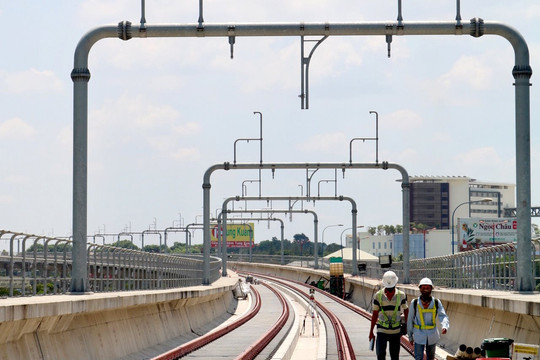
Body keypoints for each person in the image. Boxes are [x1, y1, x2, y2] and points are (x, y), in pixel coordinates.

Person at [407, 277, 450, 360]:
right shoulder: (415, 303)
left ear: (431, 289)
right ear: (420, 289)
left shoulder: (436, 302)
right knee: (418, 357)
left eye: (427, 288)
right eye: (423, 288)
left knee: (430, 358)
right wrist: (410, 336)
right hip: (418, 335)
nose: (425, 290)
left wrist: (445, 326)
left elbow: (443, 315)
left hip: (432, 335)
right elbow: (410, 320)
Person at [369, 271, 409, 360]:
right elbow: (375, 314)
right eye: (388, 288)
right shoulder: (378, 295)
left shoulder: (401, 295)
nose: (390, 291)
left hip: (395, 332)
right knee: (380, 355)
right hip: (381, 330)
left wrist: (407, 326)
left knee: (395, 356)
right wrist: (371, 331)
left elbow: (406, 311)